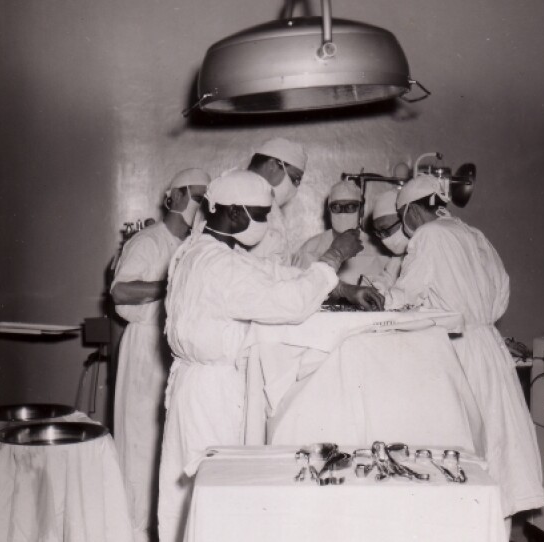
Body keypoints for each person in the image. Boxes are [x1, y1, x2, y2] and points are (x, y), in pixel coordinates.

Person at [158, 170, 382, 542]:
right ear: (233, 214)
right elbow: (287, 303)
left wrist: (340, 288)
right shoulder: (218, 264)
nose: (263, 224)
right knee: (220, 497)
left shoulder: (202, 250)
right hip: (213, 394)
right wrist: (334, 256)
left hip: (196, 387)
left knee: (192, 499)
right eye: (259, 215)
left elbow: (270, 273)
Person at [382, 174, 544, 531]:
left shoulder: (428, 236)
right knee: (496, 449)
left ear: (410, 211)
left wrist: (376, 297)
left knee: (457, 452)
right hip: (489, 348)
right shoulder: (475, 235)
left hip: (456, 350)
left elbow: (402, 297)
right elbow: (500, 295)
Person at [110, 168, 211, 542]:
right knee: (139, 449)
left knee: (167, 452)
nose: (202, 207)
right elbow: (121, 292)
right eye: (198, 198)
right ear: (178, 196)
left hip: (175, 353)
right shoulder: (148, 241)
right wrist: (172, 283)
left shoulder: (194, 244)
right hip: (143, 351)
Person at [292, 179, 396, 289]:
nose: (343, 213)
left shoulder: (378, 250)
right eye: (336, 207)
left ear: (361, 210)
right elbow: (297, 289)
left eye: (351, 207)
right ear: (329, 210)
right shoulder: (310, 248)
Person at [246, 137, 307, 263]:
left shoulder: (268, 202)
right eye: (295, 178)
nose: (295, 187)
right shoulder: (242, 197)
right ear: (272, 166)